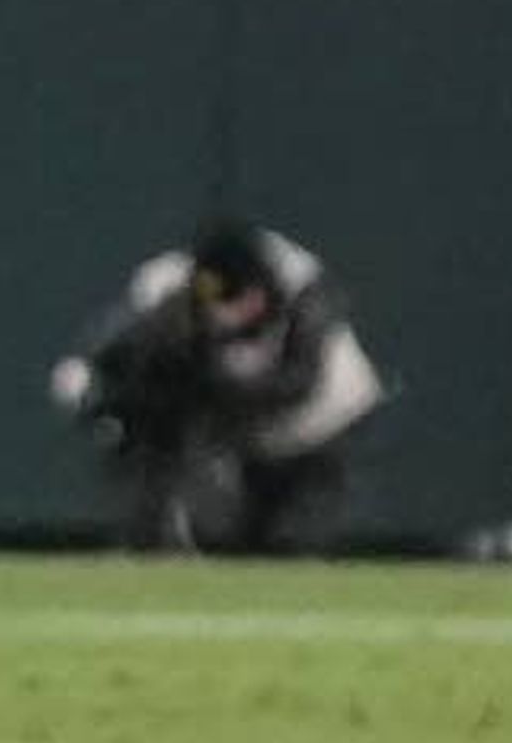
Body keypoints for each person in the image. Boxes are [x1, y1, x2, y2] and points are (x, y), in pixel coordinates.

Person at [53, 222, 385, 554]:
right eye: (219, 304)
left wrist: (215, 388)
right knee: (219, 534)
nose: (228, 318)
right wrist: (108, 401)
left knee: (292, 542)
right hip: (232, 423)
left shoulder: (304, 291)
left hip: (321, 422)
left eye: (242, 301)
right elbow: (99, 361)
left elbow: (298, 384)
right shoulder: (169, 290)